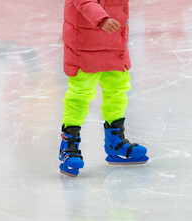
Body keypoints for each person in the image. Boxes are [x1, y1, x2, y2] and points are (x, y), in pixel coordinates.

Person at [59, 0, 148, 177]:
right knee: (80, 94)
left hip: (114, 43)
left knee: (117, 90)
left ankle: (116, 141)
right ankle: (69, 144)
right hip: (85, 43)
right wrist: (102, 19)